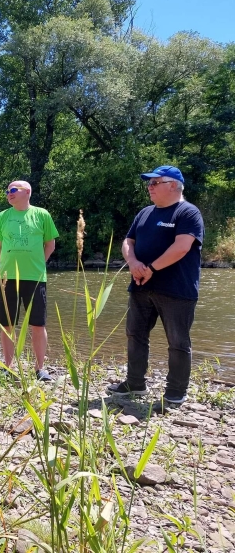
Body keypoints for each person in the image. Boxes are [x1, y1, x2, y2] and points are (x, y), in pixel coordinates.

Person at [108, 166, 204, 408]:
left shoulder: (188, 213)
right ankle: (135, 383)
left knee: (178, 341)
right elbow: (128, 241)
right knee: (135, 335)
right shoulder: (145, 213)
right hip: (140, 286)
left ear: (173, 185)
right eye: (148, 183)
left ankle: (175, 392)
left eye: (155, 183)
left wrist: (150, 268)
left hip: (176, 290)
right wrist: (133, 263)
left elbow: (182, 247)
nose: (149, 187)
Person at [0, 180, 59, 381]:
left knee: (38, 324)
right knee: (7, 323)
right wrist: (7, 265)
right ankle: (8, 366)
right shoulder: (2, 217)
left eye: (13, 190)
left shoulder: (42, 215)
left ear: (27, 192)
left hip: (35, 277)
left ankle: (40, 369)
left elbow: (50, 244)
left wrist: (39, 265)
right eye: (7, 191)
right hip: (6, 278)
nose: (9, 193)